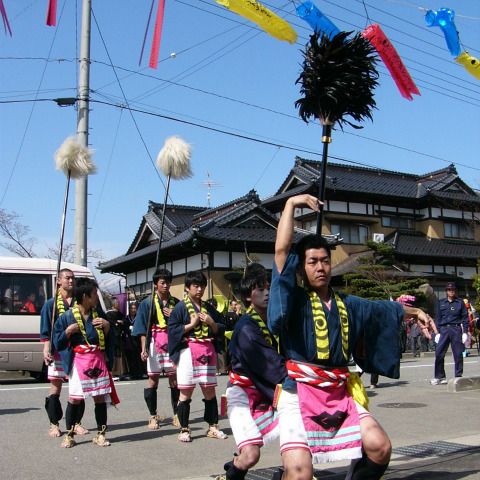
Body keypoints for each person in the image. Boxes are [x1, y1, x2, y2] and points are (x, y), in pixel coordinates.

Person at [268, 194, 432, 480]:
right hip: (298, 390)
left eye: (325, 261)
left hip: (339, 391)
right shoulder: (294, 301)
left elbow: (384, 310)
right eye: (312, 262)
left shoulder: (347, 303)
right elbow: (282, 252)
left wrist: (416, 311)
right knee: (299, 472)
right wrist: (291, 204)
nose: (320, 267)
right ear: (301, 269)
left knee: (380, 447)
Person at [218, 263, 287, 480]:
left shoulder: (275, 320)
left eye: (269, 287)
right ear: (248, 296)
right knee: (250, 455)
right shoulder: (247, 328)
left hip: (267, 390)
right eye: (260, 289)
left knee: (296, 427)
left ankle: (291, 472)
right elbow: (272, 368)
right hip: (244, 394)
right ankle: (233, 471)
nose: (267, 293)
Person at [53, 277, 117, 448]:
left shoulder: (99, 314)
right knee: (74, 399)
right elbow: (56, 342)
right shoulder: (67, 317)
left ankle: (101, 434)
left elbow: (112, 335)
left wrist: (107, 326)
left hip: (97, 359)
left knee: (99, 398)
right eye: (94, 294)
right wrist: (67, 332)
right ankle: (69, 435)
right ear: (84, 296)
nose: (96, 297)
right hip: (79, 361)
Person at [168, 270, 228, 442]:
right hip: (188, 351)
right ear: (187, 288)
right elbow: (172, 331)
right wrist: (191, 324)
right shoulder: (179, 308)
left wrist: (211, 323)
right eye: (196, 286)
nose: (200, 289)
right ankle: (184, 429)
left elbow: (221, 327)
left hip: (206, 350)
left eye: (202, 286)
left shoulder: (208, 307)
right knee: (186, 391)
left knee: (209, 390)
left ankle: (213, 426)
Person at [40, 269, 88, 438]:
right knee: (55, 387)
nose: (71, 281)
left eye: (73, 278)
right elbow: (45, 332)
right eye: (67, 278)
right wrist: (46, 349)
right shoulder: (50, 304)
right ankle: (54, 424)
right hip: (58, 350)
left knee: (78, 390)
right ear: (59, 281)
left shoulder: (80, 302)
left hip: (77, 352)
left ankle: (76, 423)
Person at [133, 269, 181, 430]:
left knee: (174, 380)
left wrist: (175, 315)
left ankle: (177, 414)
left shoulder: (177, 302)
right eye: (162, 282)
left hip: (172, 344)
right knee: (153, 380)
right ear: (156, 285)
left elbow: (185, 323)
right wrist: (143, 348)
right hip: (154, 343)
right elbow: (142, 329)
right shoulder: (147, 303)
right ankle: (153, 415)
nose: (166, 285)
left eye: (168, 282)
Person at [431, 282, 469, 384]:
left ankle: (458, 376)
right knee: (439, 353)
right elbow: (438, 318)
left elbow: (465, 318)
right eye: (448, 290)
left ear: (455, 291)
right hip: (444, 330)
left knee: (458, 354)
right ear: (446, 291)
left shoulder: (460, 302)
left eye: (452, 289)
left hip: (456, 329)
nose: (451, 291)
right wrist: (437, 332)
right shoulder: (441, 302)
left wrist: (465, 332)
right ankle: (440, 376)